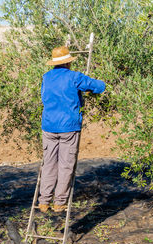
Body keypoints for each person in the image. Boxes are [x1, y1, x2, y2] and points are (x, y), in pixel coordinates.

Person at [38, 46, 106, 213]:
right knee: (66, 165)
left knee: (49, 164)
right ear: (68, 62)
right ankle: (60, 202)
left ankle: (44, 201)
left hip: (48, 126)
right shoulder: (74, 77)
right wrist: (97, 86)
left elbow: (44, 97)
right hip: (68, 127)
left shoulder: (46, 77)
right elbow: (98, 86)